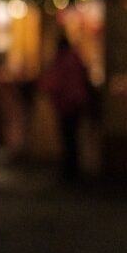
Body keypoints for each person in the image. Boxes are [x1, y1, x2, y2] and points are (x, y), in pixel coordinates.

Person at [39, 34, 93, 180]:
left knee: (68, 138)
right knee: (73, 137)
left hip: (65, 104)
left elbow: (52, 82)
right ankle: (74, 169)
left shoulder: (61, 61)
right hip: (77, 102)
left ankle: (69, 170)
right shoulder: (75, 58)